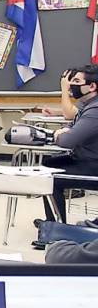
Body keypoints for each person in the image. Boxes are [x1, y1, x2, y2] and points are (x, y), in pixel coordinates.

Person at [39, 65, 98, 224]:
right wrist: (64, 131)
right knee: (48, 163)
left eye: (77, 81)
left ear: (92, 86)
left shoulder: (95, 109)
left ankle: (56, 229)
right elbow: (71, 126)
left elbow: (67, 141)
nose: (71, 85)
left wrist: (60, 134)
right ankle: (52, 221)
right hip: (86, 159)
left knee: (50, 178)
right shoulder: (88, 104)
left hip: (93, 166)